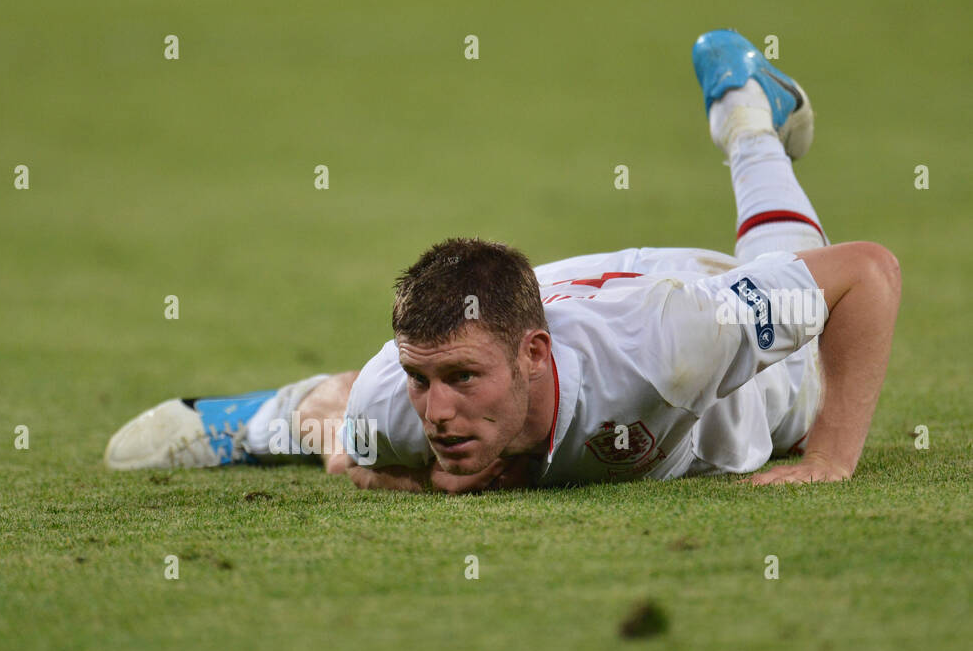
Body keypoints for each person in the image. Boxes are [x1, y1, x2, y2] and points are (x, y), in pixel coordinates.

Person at [105, 30, 900, 492]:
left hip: (723, 349)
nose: (437, 411)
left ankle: (746, 113)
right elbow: (357, 448)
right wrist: (401, 473)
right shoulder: (396, 403)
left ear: (533, 356)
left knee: (801, 297)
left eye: (461, 380)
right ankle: (242, 418)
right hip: (540, 305)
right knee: (353, 428)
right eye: (424, 379)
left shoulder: (674, 339)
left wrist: (830, 456)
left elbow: (867, 275)